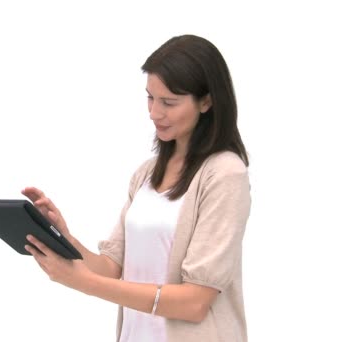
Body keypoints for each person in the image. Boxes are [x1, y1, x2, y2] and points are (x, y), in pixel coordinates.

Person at [21, 34, 251, 342]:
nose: (154, 112)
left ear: (207, 101)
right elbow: (111, 268)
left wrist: (82, 283)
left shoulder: (225, 175)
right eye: (150, 98)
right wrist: (63, 236)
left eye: (169, 102)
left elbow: (196, 302)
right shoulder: (146, 174)